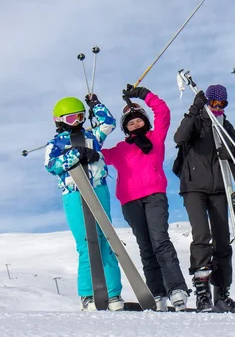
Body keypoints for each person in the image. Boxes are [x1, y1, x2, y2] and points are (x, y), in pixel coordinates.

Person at [101, 84, 189, 312]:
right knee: (145, 247)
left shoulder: (156, 137)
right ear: (126, 129)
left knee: (160, 241)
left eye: (139, 120)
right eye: (130, 123)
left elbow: (163, 112)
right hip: (130, 202)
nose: (135, 124)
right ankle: (157, 293)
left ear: (145, 121)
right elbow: (97, 153)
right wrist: (97, 116)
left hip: (154, 197)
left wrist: (143, 94)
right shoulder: (120, 149)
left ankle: (176, 289)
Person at [173, 84, 235, 313]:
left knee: (223, 240)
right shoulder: (196, 121)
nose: (217, 107)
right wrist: (194, 109)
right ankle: (202, 294)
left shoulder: (225, 124)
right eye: (213, 103)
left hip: (219, 188)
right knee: (201, 236)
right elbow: (179, 137)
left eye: (222, 104)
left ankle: (222, 293)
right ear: (207, 102)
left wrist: (232, 154)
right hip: (194, 187)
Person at [44, 94, 123, 311]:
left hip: (98, 189)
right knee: (86, 243)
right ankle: (88, 294)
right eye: (70, 119)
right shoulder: (56, 143)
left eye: (79, 117)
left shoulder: (92, 136)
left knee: (106, 239)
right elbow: (51, 166)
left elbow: (108, 123)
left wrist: (95, 105)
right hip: (74, 193)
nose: (76, 122)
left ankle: (114, 293)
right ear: (59, 121)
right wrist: (76, 155)